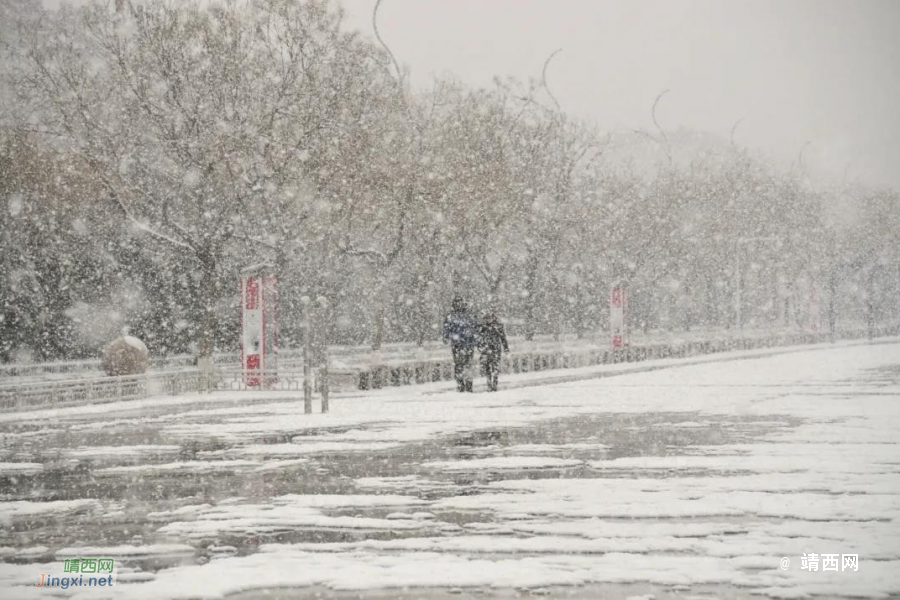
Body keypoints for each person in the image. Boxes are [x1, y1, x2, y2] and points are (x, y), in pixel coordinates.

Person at [442, 296, 479, 392]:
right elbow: (446, 328)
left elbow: (476, 327)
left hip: (468, 344)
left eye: (460, 302)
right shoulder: (451, 316)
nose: (458, 304)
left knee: (468, 365)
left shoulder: (469, 314)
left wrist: (476, 338)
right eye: (457, 302)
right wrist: (446, 337)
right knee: (459, 365)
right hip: (457, 345)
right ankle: (460, 384)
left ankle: (469, 385)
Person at [478, 312, 509, 392]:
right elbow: (478, 339)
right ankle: (489, 384)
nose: (487, 320)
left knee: (495, 367)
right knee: (487, 367)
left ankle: (494, 384)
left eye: (489, 318)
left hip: (495, 349)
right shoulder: (483, 327)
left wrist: (506, 348)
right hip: (486, 350)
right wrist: (480, 348)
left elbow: (503, 338)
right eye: (486, 319)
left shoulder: (497, 326)